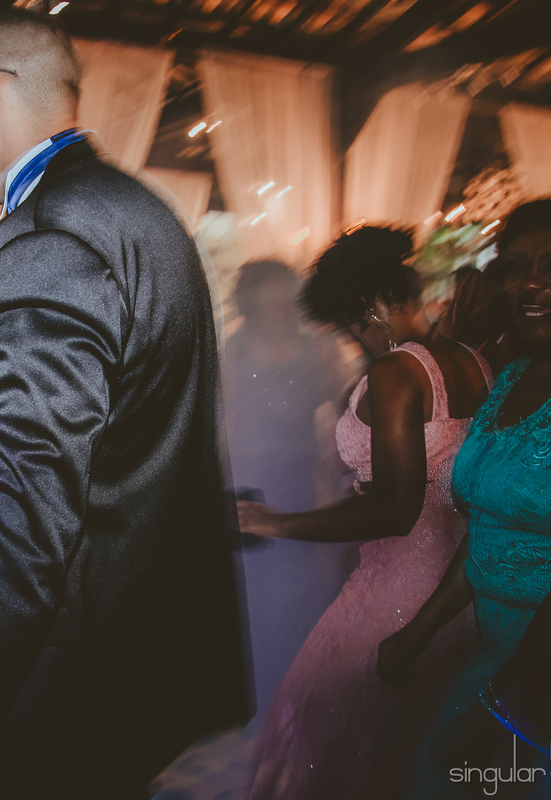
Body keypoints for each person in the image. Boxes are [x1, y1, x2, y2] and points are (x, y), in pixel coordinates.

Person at [0, 13, 248, 799]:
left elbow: (17, 542)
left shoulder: (49, 239)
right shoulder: (137, 209)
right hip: (139, 652)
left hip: (60, 679)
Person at [237, 227, 491, 800]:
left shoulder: (398, 371)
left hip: (394, 590)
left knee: (315, 719)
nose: (355, 338)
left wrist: (275, 522)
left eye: (353, 324)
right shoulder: (473, 361)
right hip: (456, 587)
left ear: (371, 306)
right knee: (398, 739)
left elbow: (396, 509)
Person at [381, 199, 551, 799]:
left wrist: (504, 708)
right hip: (494, 661)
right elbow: (489, 533)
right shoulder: (512, 378)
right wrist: (419, 631)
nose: (532, 282)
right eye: (515, 266)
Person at [222, 259, 355, 717]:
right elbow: (220, 425)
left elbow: (343, 420)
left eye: (283, 302)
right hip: (247, 490)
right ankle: (262, 708)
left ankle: (297, 710)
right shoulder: (232, 352)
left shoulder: (317, 349)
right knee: (257, 607)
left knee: (305, 599)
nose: (276, 312)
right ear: (249, 307)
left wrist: (339, 479)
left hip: (303, 490)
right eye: (265, 304)